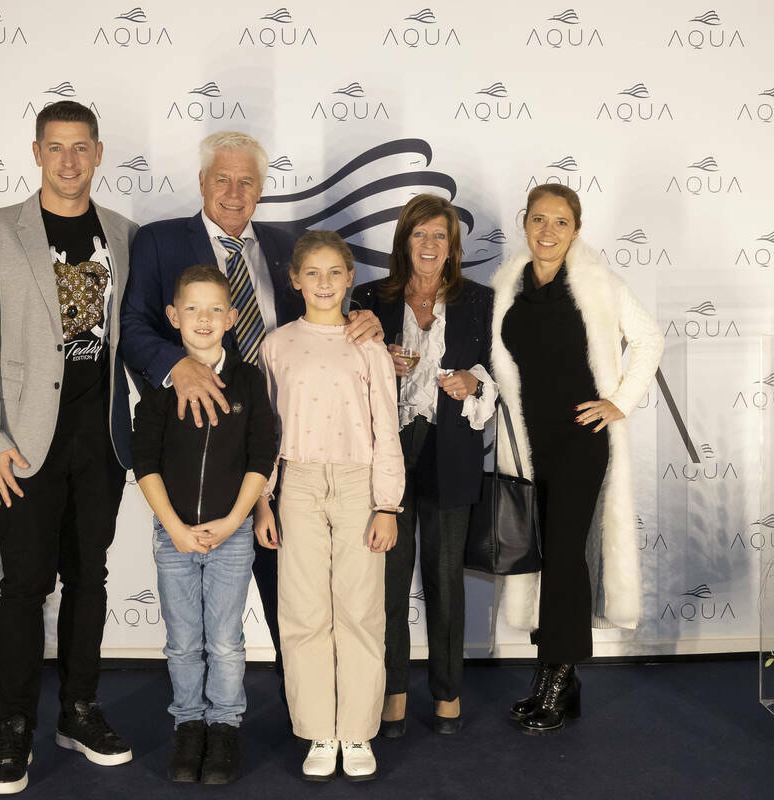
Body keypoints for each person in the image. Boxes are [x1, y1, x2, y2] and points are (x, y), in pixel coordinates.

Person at [120, 131, 383, 689]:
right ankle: (213, 713)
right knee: (205, 617)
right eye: (223, 179)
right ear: (201, 182)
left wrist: (364, 318)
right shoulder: (159, 241)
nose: (234, 192)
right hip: (203, 454)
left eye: (247, 182)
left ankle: (308, 708)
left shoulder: (288, 244)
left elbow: (321, 308)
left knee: (299, 591)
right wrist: (176, 365)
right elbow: (133, 327)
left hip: (289, 445)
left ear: (262, 189)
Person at [0, 100, 137, 794]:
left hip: (102, 441)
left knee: (90, 578)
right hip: (25, 446)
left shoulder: (124, 234)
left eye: (80, 147)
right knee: (26, 585)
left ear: (98, 153)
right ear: (36, 153)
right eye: (55, 147)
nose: (68, 160)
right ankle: (15, 727)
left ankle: (79, 712)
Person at [489, 184, 663, 735]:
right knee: (542, 555)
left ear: (577, 229)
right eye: (539, 219)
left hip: (580, 440)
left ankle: (557, 678)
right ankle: (558, 677)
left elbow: (650, 339)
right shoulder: (507, 284)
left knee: (564, 556)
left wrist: (620, 402)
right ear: (525, 223)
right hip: (527, 442)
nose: (548, 231)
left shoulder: (598, 282)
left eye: (560, 222)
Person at [253, 231, 403, 781]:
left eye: (334, 272)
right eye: (312, 273)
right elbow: (267, 432)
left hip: (359, 485)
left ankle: (357, 730)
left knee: (360, 610)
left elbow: (386, 427)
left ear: (350, 279)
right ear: (294, 279)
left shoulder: (369, 346)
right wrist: (264, 500)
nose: (323, 283)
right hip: (297, 484)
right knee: (303, 610)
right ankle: (319, 729)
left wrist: (387, 505)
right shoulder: (276, 346)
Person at [350, 194, 495, 737]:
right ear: (403, 242)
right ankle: (392, 690)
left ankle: (447, 691)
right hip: (388, 451)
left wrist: (475, 382)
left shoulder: (480, 301)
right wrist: (376, 362)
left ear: (452, 246)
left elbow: (500, 373)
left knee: (445, 577)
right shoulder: (370, 299)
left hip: (452, 450)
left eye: (439, 235)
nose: (430, 244)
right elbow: (343, 375)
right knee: (389, 580)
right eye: (419, 234)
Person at [131, 265, 276, 785]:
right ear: (173, 316)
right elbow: (144, 461)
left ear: (232, 317)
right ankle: (189, 725)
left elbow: (262, 454)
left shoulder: (249, 381)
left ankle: (224, 726)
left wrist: (236, 519)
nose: (204, 318)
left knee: (225, 641)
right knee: (183, 641)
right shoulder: (159, 385)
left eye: (216, 308)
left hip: (231, 536)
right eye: (192, 308)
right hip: (174, 536)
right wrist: (173, 527)